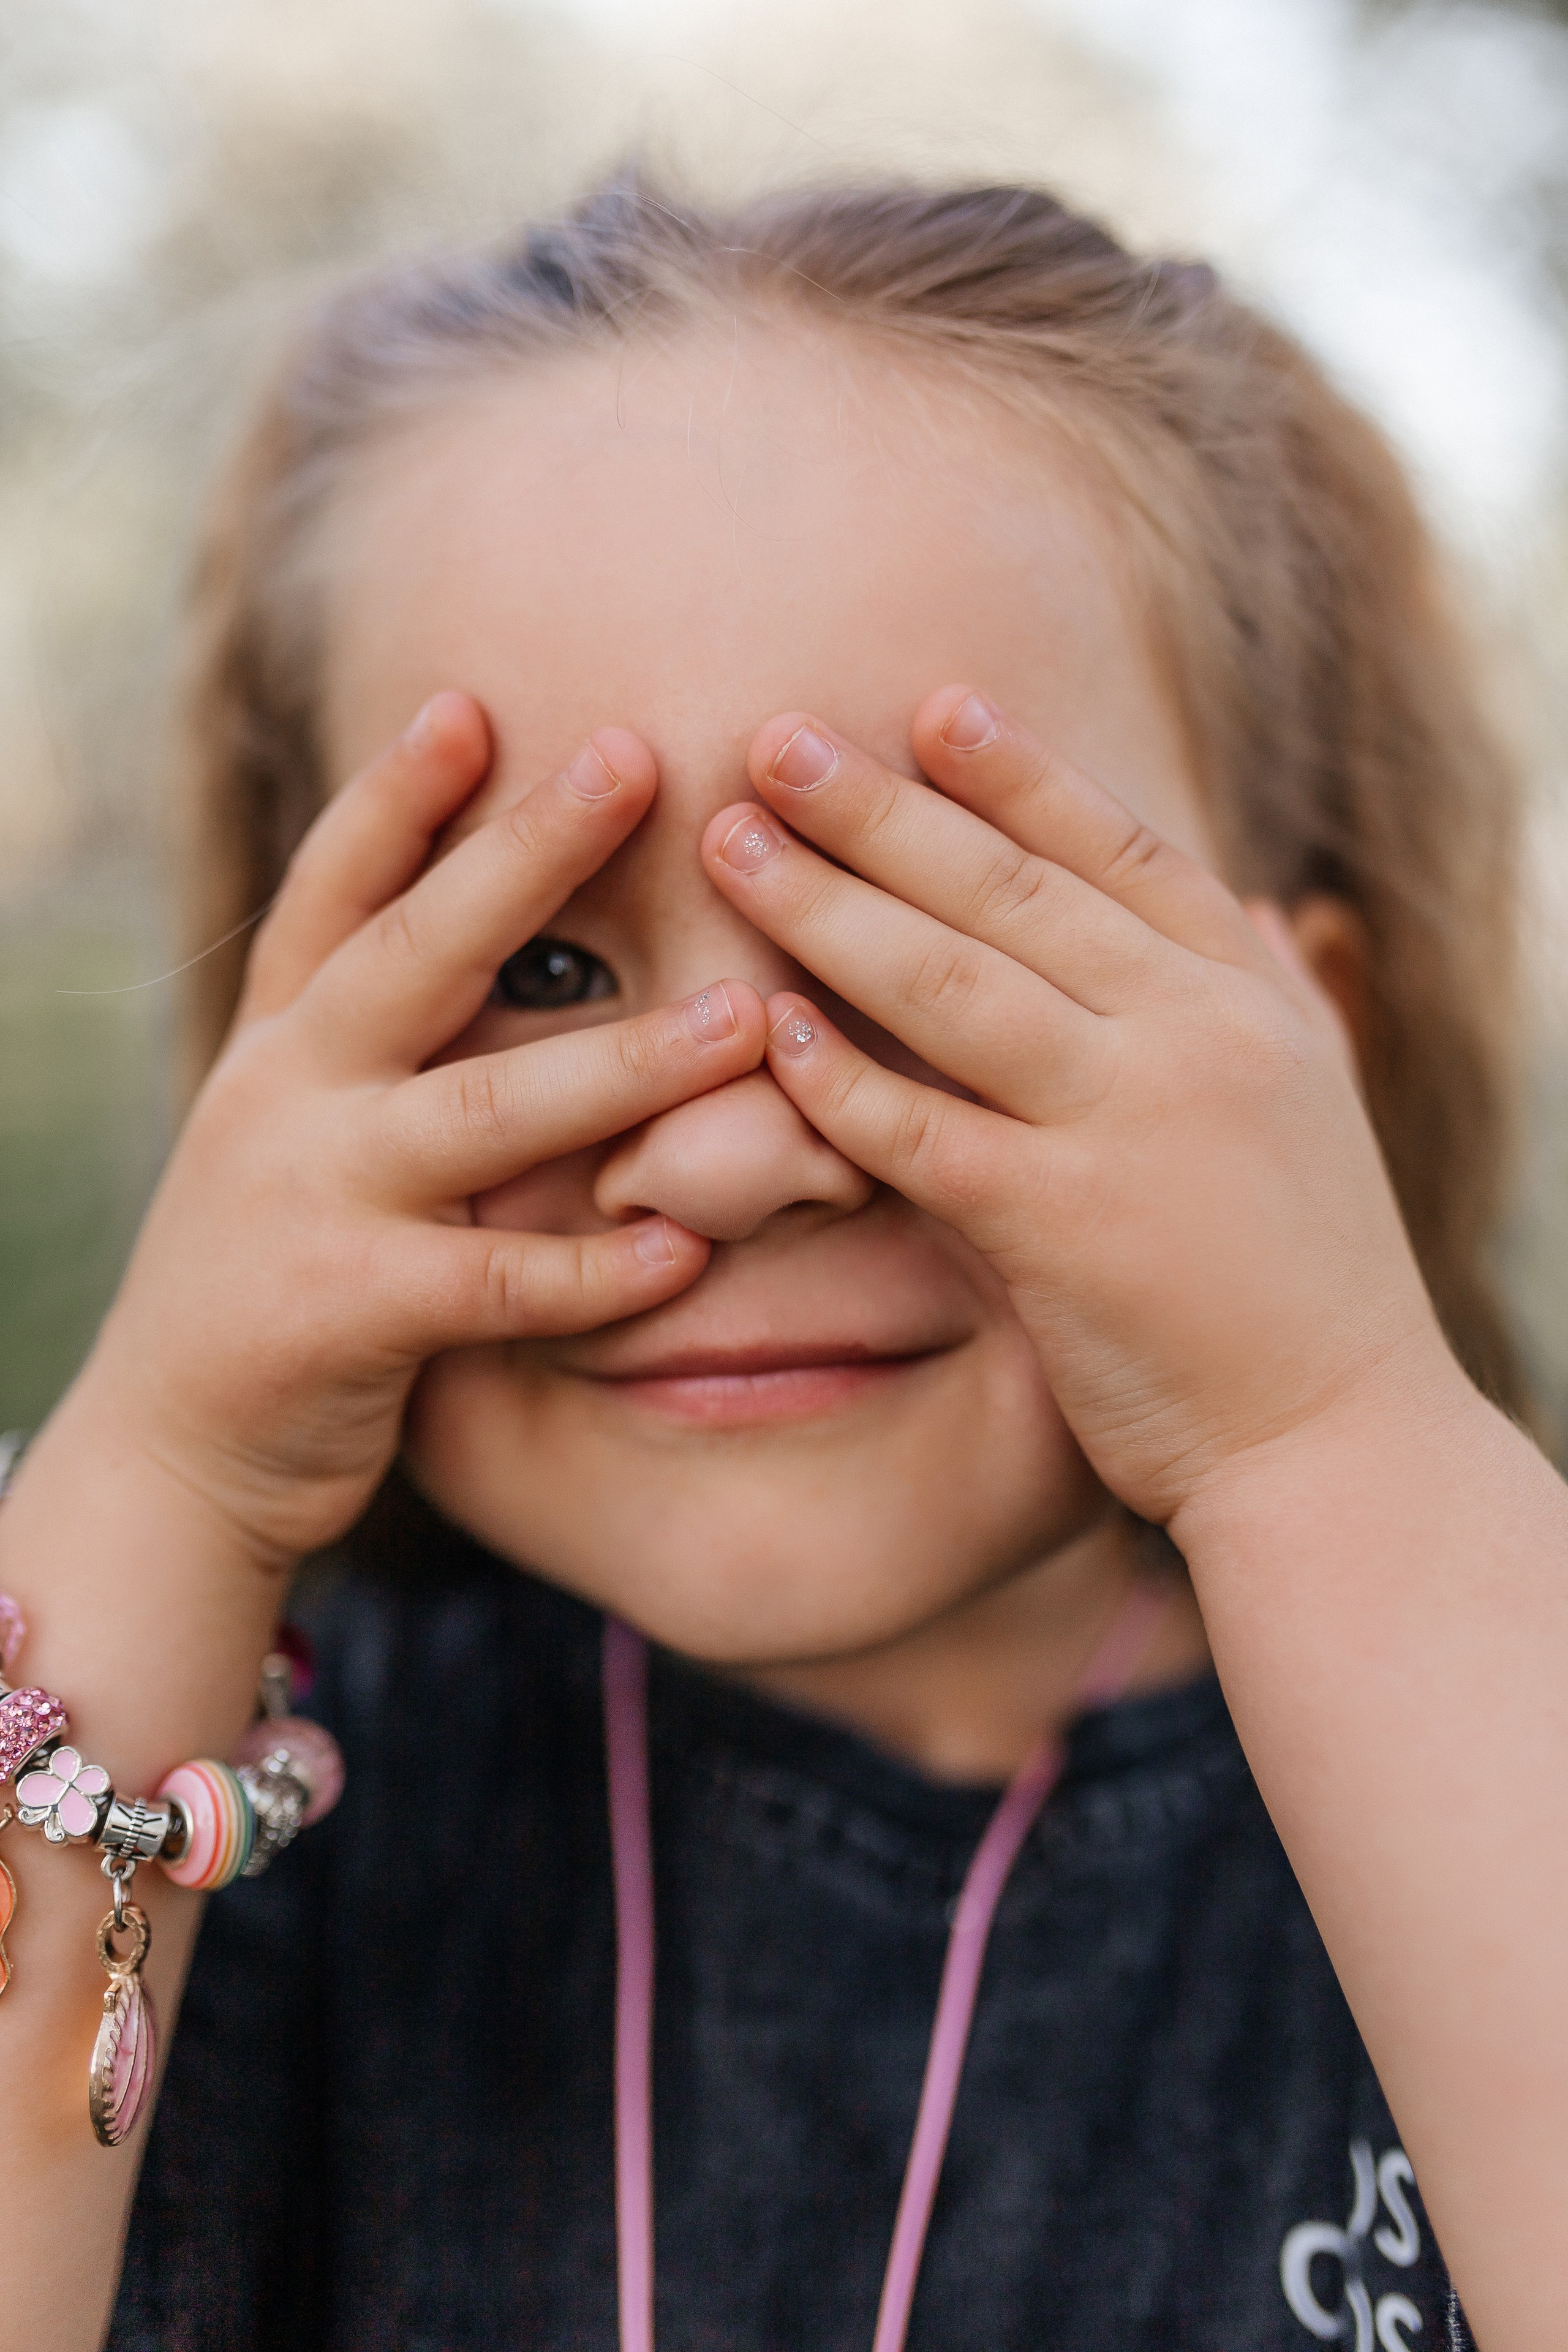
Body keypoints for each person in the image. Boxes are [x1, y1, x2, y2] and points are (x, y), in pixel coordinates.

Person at [0, 172, 1559, 2352]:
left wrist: (1322, 1431)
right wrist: (170, 1476)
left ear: (1314, 1050)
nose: (732, 1155)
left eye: (925, 941)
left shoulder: (1483, 1750)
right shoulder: (223, 1770)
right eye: (539, 963)